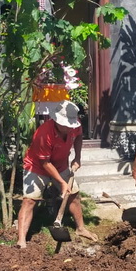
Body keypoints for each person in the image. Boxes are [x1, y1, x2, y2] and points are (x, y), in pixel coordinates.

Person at [16, 101, 98, 248]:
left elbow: (78, 137)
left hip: (60, 164)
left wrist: (77, 157)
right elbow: (45, 163)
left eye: (70, 125)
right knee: (29, 201)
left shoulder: (74, 124)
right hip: (36, 167)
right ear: (56, 120)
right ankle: (21, 240)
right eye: (65, 124)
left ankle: (80, 228)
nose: (68, 128)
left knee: (73, 195)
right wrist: (61, 182)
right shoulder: (43, 134)